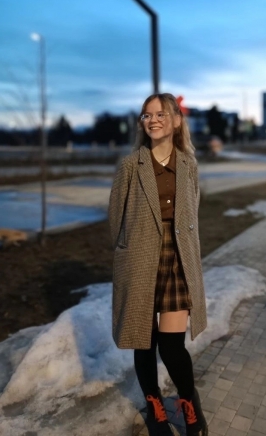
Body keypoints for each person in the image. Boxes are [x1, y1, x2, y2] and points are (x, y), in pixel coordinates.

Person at [108, 93, 208, 436]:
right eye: (146, 115)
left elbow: (192, 212)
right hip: (139, 258)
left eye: (160, 114)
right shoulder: (130, 165)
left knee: (172, 346)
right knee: (144, 341)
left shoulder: (189, 165)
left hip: (177, 257)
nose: (152, 120)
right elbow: (115, 219)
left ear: (176, 121)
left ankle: (189, 404)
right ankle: (155, 409)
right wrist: (126, 253)